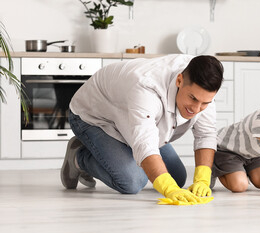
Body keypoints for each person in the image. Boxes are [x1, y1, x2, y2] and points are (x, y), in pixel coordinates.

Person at [60, 54, 224, 205]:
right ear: (179, 81)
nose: (196, 109)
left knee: (177, 178)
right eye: (193, 98)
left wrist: (202, 180)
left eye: (205, 103)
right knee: (132, 181)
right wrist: (169, 189)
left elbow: (206, 134)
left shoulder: (203, 85)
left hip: (131, 119)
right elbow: (144, 143)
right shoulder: (146, 87)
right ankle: (79, 157)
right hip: (94, 116)